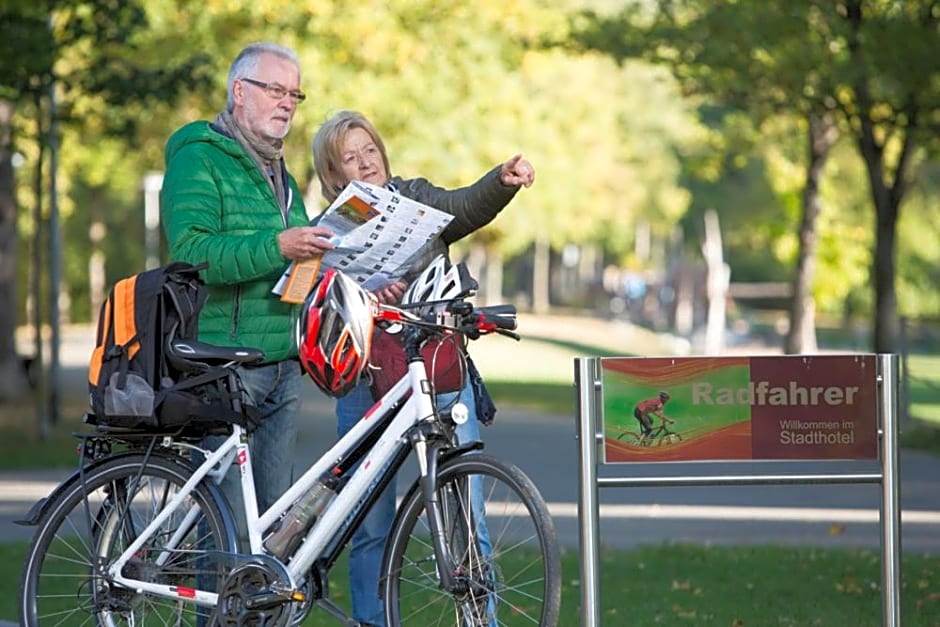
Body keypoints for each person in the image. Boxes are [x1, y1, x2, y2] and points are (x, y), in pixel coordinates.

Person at [311, 109, 534, 626]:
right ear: (334, 173)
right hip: (367, 382)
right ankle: (372, 620)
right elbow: (314, 300)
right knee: (370, 522)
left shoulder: (414, 197)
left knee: (466, 513)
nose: (365, 163)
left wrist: (500, 182)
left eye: (370, 150)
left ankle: (483, 621)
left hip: (438, 371)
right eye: (351, 157)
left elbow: (463, 206)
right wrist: (362, 294)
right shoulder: (327, 229)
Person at [160, 41, 337, 543]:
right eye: (276, 90)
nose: (287, 102)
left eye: (295, 95)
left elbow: (299, 262)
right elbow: (193, 254)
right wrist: (279, 244)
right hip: (224, 370)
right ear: (240, 91)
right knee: (226, 536)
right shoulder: (199, 159)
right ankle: (212, 622)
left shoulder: (280, 171)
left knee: (270, 533)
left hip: (282, 364)